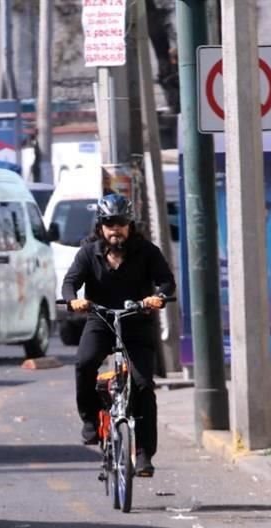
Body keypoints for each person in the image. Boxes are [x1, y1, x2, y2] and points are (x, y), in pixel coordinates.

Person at [63, 193, 176, 477]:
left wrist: (157, 297)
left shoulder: (147, 251)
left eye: (121, 223)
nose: (116, 229)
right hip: (101, 320)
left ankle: (144, 453)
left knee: (143, 385)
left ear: (130, 225)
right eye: (110, 223)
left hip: (136, 322)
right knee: (84, 364)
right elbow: (70, 282)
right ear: (101, 226)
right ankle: (90, 420)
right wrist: (72, 300)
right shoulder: (89, 252)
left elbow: (166, 282)